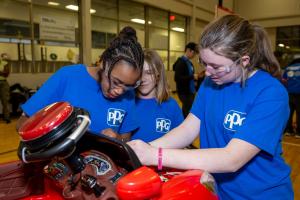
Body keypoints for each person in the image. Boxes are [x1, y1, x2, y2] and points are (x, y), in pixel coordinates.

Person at [128, 15, 293, 199]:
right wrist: (143, 148)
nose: (207, 72)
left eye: (216, 66)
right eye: (204, 63)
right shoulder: (211, 82)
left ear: (244, 60)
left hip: (261, 195)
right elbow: (188, 129)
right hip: (218, 192)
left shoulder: (270, 93)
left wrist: (155, 156)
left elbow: (231, 158)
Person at [17, 27, 144, 141]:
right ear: (103, 64)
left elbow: (126, 138)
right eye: (116, 82)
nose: (120, 91)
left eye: (128, 86)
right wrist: (60, 132)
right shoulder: (68, 76)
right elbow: (23, 124)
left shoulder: (129, 94)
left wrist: (117, 138)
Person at [131, 49, 184, 142]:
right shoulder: (126, 103)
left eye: (149, 72)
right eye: (139, 72)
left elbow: (181, 140)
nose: (143, 78)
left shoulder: (171, 106)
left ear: (158, 75)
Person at [173, 42, 199, 118]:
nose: (194, 55)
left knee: (188, 109)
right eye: (193, 52)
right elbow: (177, 78)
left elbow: (189, 75)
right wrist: (192, 77)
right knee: (187, 111)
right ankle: (184, 124)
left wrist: (195, 80)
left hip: (190, 91)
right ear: (188, 50)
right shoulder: (181, 62)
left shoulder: (189, 63)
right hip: (184, 92)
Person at [282, 58, 300, 138]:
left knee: (289, 112)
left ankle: (288, 130)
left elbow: (284, 80)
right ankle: (298, 132)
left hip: (289, 93)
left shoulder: (288, 67)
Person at [0, 53, 11, 123]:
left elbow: (6, 73)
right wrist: (1, 72)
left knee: (5, 101)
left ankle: (6, 117)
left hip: (3, 83)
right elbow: (3, 73)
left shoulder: (5, 63)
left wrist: (2, 72)